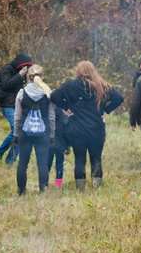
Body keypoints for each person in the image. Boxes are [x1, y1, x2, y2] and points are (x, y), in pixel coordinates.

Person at [50, 61, 123, 190]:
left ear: (78, 72)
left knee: (79, 159)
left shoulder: (70, 85)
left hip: (76, 130)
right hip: (96, 129)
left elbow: (54, 96)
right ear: (93, 71)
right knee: (96, 159)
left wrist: (67, 108)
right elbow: (118, 98)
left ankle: (80, 189)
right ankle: (96, 188)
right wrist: (105, 111)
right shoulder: (101, 85)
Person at [13, 65, 56, 195]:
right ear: (41, 76)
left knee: (22, 163)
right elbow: (51, 116)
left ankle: (21, 192)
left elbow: (17, 116)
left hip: (24, 132)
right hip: (43, 133)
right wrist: (52, 134)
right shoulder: (48, 93)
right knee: (42, 164)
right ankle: (43, 191)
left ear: (28, 76)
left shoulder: (21, 93)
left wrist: (16, 133)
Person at [0, 53, 33, 165]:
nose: (26, 69)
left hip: (18, 106)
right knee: (17, 130)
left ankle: (10, 161)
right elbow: (6, 84)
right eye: (25, 66)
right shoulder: (7, 69)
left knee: (22, 131)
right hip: (7, 105)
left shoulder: (23, 74)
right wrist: (19, 75)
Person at [47, 104, 70, 188]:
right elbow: (67, 133)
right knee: (59, 164)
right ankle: (58, 184)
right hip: (60, 145)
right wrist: (66, 145)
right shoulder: (64, 116)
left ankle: (44, 182)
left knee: (47, 163)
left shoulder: (48, 115)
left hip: (49, 144)